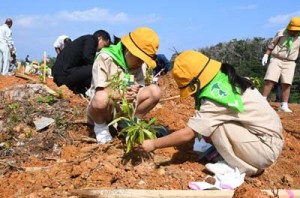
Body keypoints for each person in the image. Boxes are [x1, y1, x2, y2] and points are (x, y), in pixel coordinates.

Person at [138, 50, 284, 177]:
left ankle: (239, 167)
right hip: (265, 141)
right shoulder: (225, 81)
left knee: (214, 126)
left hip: (264, 150)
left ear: (195, 82)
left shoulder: (217, 99)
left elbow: (189, 133)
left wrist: (154, 144)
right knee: (209, 127)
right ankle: (235, 156)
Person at [87, 27, 161, 143]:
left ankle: (129, 124)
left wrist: (137, 89)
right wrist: (121, 94)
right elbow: (100, 91)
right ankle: (101, 127)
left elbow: (140, 85)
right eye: (139, 58)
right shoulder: (105, 58)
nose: (141, 62)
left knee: (155, 91)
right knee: (101, 98)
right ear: (128, 51)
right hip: (105, 110)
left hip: (126, 108)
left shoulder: (139, 64)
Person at [52, 30, 111, 95]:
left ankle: (79, 90)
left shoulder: (83, 42)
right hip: (64, 76)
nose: (102, 49)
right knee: (97, 67)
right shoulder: (91, 39)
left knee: (91, 69)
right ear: (100, 38)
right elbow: (88, 57)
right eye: (104, 45)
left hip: (62, 75)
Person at [261, 16, 300, 112]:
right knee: (270, 80)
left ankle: (284, 105)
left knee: (287, 83)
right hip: (277, 59)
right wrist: (266, 55)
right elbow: (272, 44)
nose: (293, 32)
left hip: (290, 62)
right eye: (292, 30)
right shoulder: (281, 33)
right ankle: (262, 101)